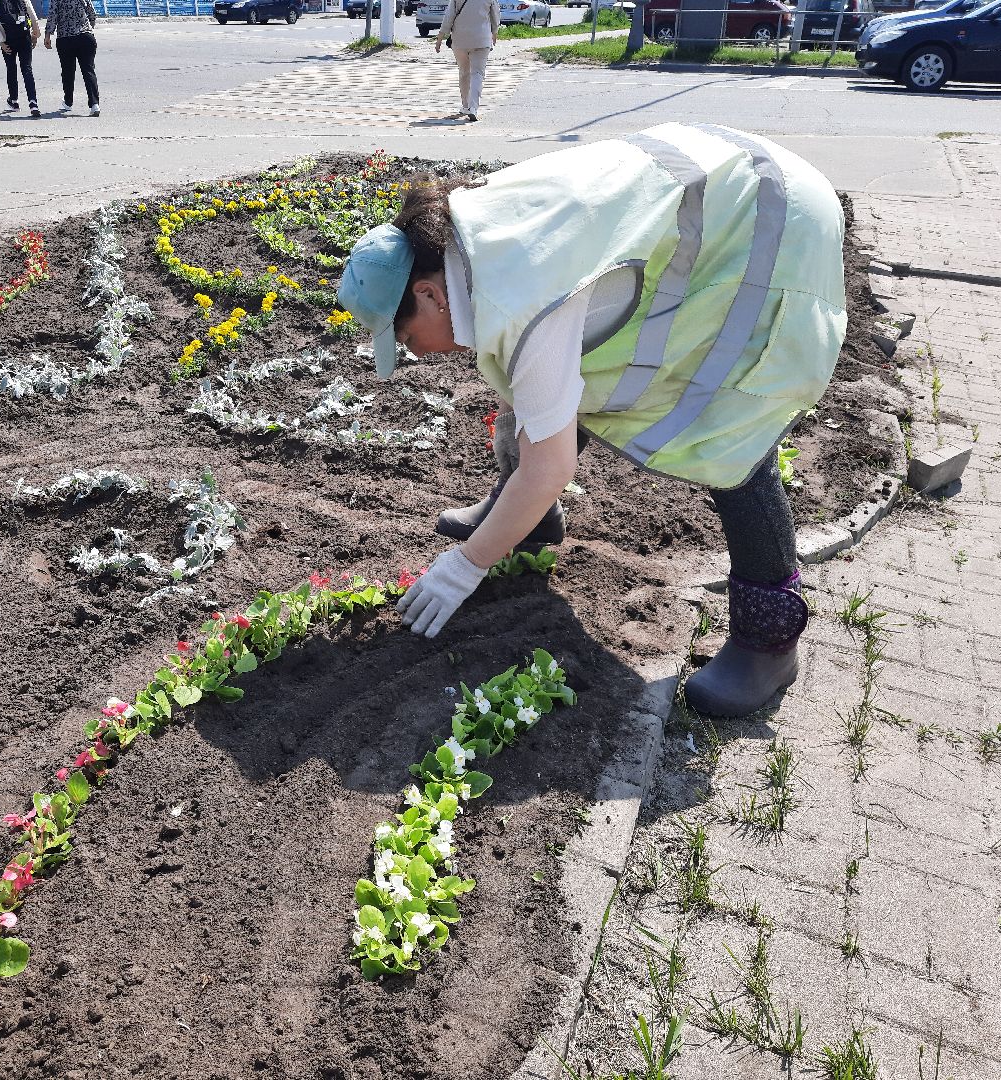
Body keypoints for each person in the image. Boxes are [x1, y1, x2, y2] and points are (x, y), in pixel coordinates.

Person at [337, 123, 847, 719]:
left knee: (724, 427)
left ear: (428, 295)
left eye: (404, 337)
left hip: (768, 223)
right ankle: (525, 523)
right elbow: (542, 381)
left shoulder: (522, 297)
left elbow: (551, 463)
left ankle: (769, 643)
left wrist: (465, 567)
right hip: (707, 185)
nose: (415, 353)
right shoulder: (468, 238)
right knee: (553, 378)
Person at [434, 0, 497, 123]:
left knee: (464, 72)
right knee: (477, 74)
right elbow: (495, 15)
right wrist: (494, 33)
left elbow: (449, 16)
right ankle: (473, 108)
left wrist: (440, 38)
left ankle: (465, 106)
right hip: (482, 40)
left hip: (460, 40)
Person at [43, 0, 99, 117]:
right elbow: (92, 13)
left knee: (68, 71)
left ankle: (68, 101)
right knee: (88, 70)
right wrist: (89, 28)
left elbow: (53, 15)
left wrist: (48, 35)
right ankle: (94, 104)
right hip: (85, 37)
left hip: (65, 38)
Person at [0, 0, 41, 117]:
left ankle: (14, 101)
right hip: (24, 37)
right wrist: (35, 34)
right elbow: (32, 14)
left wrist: (1, 41)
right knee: (27, 69)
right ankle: (33, 103)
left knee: (11, 68)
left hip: (9, 38)